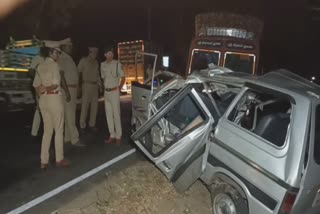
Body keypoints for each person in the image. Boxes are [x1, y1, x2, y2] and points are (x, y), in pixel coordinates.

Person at [32, 41, 70, 169]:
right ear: (51, 52)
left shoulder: (39, 66)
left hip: (43, 100)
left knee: (47, 131)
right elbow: (55, 84)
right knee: (58, 129)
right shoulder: (54, 66)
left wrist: (42, 91)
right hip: (54, 98)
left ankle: (44, 161)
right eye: (57, 53)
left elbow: (36, 87)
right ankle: (59, 159)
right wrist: (47, 89)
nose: (58, 55)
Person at [58, 38, 85, 147]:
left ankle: (68, 137)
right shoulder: (62, 57)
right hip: (67, 89)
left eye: (71, 46)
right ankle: (75, 139)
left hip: (72, 88)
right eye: (69, 46)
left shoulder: (68, 58)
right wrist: (67, 91)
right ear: (63, 47)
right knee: (70, 115)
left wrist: (77, 88)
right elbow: (61, 76)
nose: (71, 48)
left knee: (69, 114)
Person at [100, 46, 125, 144]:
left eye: (112, 53)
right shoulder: (102, 65)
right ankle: (112, 134)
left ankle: (119, 136)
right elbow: (103, 77)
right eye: (109, 53)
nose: (111, 54)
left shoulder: (117, 64)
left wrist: (119, 88)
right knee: (108, 114)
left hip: (114, 91)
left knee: (116, 114)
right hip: (106, 92)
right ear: (105, 55)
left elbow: (123, 77)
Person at [78, 46, 100, 133]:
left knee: (94, 107)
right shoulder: (83, 60)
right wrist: (79, 86)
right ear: (90, 52)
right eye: (93, 52)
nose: (95, 54)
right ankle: (82, 126)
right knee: (85, 106)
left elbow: (97, 75)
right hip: (86, 85)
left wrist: (100, 85)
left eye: (96, 53)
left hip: (95, 86)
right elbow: (79, 72)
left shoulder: (96, 62)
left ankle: (92, 124)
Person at [29, 46, 45, 138]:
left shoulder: (49, 59)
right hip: (38, 85)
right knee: (39, 109)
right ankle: (34, 132)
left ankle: (42, 131)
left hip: (47, 86)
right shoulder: (37, 58)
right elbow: (30, 71)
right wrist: (37, 76)